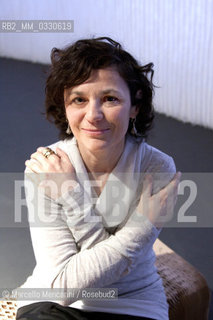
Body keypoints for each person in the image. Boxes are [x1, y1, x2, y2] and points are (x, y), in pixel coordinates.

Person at [16, 37, 181, 320]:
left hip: (134, 301)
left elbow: (96, 278)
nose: (93, 115)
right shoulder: (47, 167)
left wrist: (68, 196)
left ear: (135, 107)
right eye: (79, 99)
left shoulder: (156, 168)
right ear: (65, 108)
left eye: (110, 99)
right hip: (53, 303)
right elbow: (63, 287)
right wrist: (141, 229)